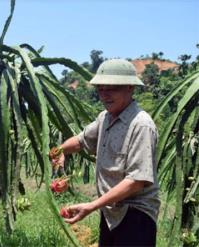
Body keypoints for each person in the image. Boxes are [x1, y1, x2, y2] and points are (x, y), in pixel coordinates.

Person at [50, 59, 160, 246]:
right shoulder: (105, 118)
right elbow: (81, 140)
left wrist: (92, 206)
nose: (104, 95)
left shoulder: (141, 125)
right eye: (100, 89)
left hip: (136, 216)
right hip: (111, 213)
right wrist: (60, 151)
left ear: (130, 88)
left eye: (112, 88)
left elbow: (136, 181)